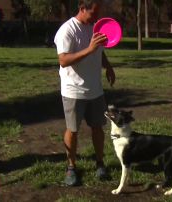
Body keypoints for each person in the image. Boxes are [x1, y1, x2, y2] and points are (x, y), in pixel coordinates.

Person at [54, 0, 115, 186]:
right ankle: (71, 168)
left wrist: (108, 66)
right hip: (73, 90)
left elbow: (99, 51)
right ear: (82, 9)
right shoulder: (67, 30)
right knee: (73, 130)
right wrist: (89, 49)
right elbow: (63, 60)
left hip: (95, 89)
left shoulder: (94, 27)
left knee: (98, 127)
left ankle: (100, 163)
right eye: (93, 13)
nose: (96, 18)